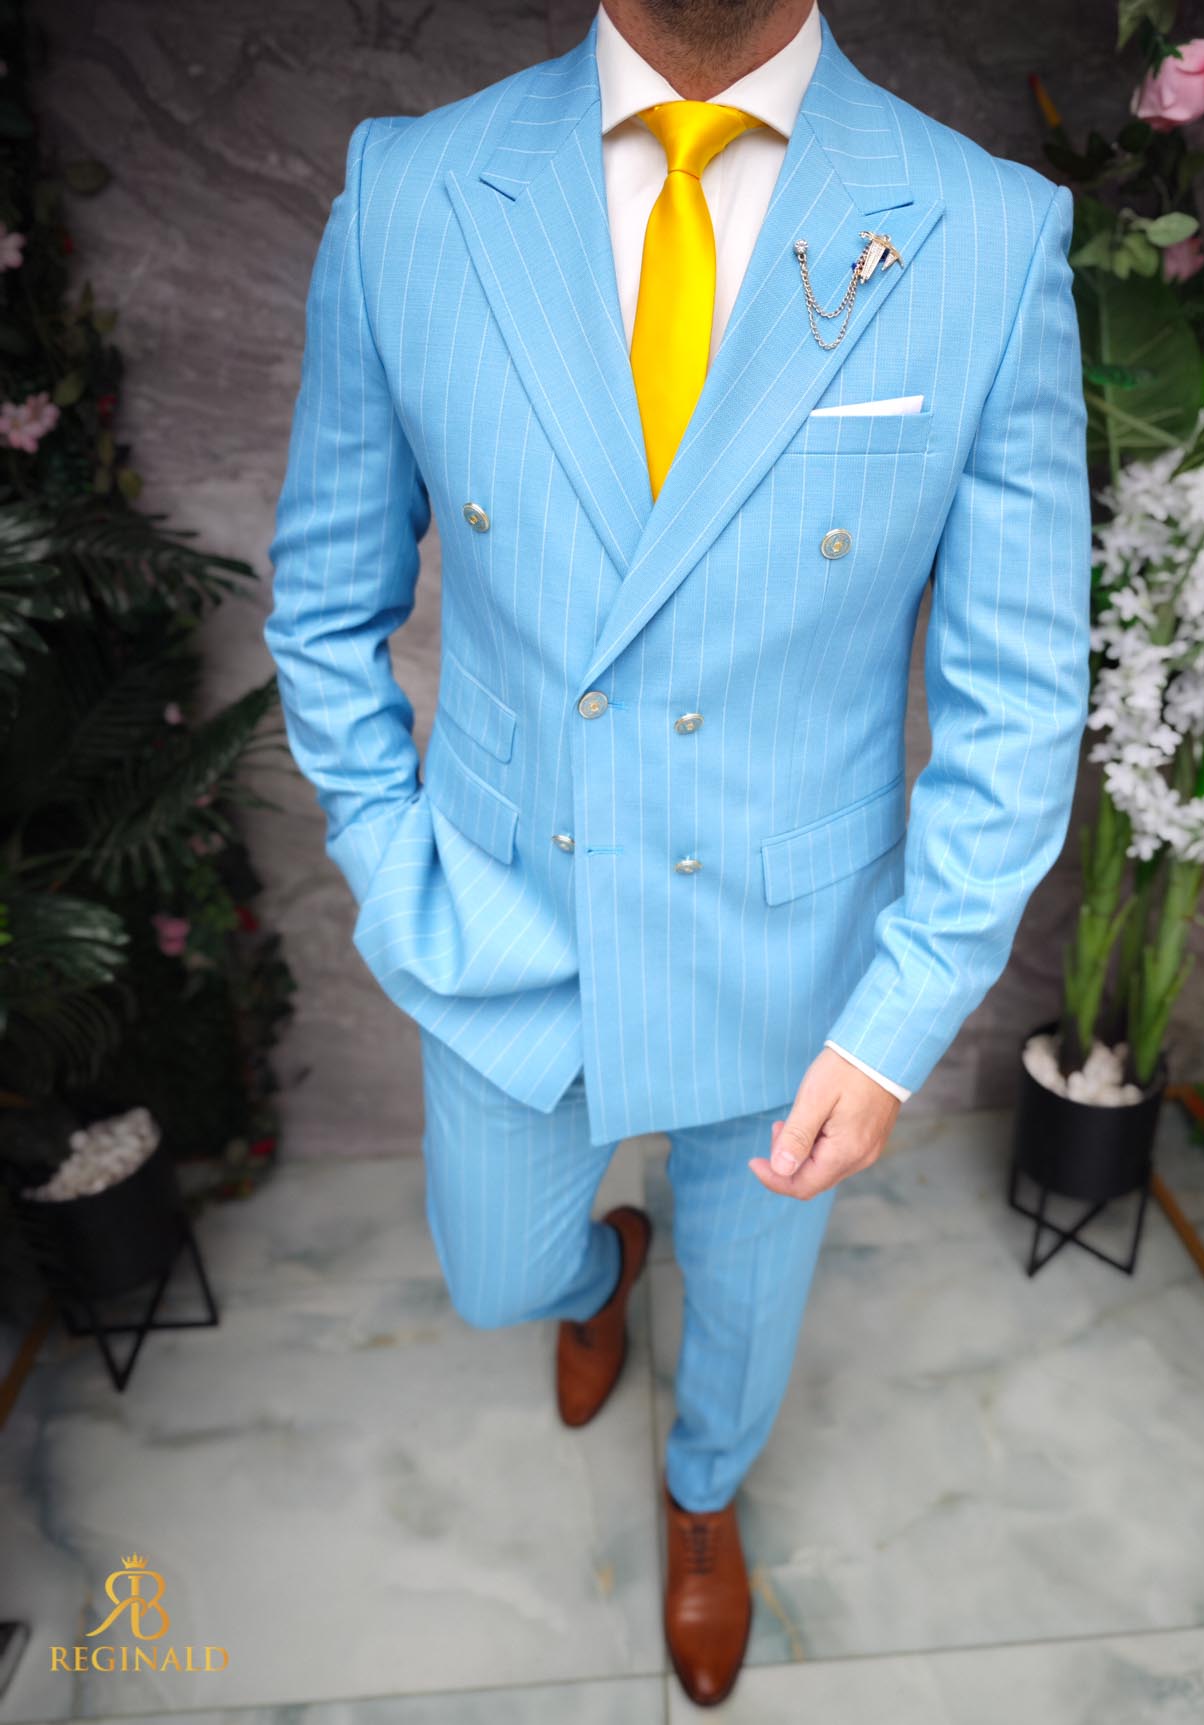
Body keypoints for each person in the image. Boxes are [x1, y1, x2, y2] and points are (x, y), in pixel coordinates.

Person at [264, 0, 1090, 1705]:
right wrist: (396, 866)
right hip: (505, 908)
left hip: (794, 947)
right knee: (497, 1273)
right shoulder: (409, 191)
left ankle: (704, 1489)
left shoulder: (989, 230)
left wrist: (901, 1012)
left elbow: (1017, 687)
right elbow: (324, 604)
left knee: (752, 1300)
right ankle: (595, 1271)